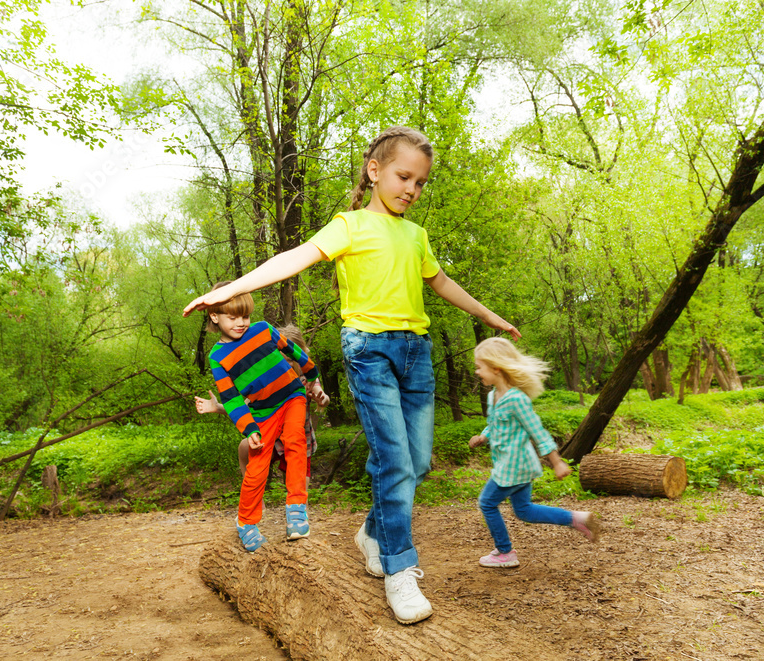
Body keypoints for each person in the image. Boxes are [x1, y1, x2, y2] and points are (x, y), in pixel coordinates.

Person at [184, 126, 518, 624]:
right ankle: (399, 570)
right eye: (404, 176)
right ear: (375, 171)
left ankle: (372, 532)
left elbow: (441, 282)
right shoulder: (350, 225)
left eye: (421, 182)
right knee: (394, 459)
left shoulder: (416, 234)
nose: (412, 188)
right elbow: (294, 258)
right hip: (369, 350)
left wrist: (488, 316)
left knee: (417, 461)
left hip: (416, 352)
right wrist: (229, 289)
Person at [202, 282, 327, 552]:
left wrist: (314, 378)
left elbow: (296, 353)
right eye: (232, 317)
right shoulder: (217, 356)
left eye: (245, 316)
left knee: (296, 442)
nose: (241, 323)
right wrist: (249, 429)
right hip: (262, 412)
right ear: (215, 317)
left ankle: (296, 508)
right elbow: (232, 398)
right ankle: (246, 522)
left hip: (293, 396)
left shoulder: (263, 330)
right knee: (257, 469)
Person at [468, 337, 599, 568]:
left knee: (487, 502)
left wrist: (557, 462)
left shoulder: (517, 399)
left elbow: (537, 431)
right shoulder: (493, 397)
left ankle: (505, 552)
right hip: (516, 466)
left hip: (513, 466)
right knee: (524, 511)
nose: (477, 372)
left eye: (480, 367)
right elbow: (497, 423)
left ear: (496, 368)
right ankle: (577, 519)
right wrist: (483, 436)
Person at [195, 324, 329, 486]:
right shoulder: (266, 383)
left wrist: (321, 397)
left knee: (298, 488)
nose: (284, 365)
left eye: (289, 359)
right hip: (271, 440)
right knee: (245, 447)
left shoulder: (306, 379)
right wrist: (217, 408)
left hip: (298, 444)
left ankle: (299, 509)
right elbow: (243, 409)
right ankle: (255, 495)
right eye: (278, 359)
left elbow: (320, 393)